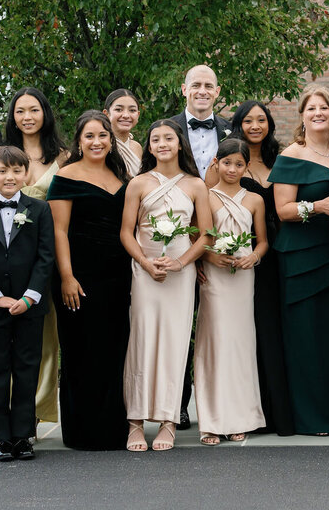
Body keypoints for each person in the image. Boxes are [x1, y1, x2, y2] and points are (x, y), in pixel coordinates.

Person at [0, 86, 67, 434]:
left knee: (37, 348)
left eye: (34, 110)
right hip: (0, 270)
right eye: (20, 111)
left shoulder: (64, 155)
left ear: (45, 113)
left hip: (40, 267)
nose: (27, 117)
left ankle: (30, 420)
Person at [119, 119, 211, 452]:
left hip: (180, 274)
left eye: (168, 138)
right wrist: (146, 264)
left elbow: (206, 234)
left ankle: (169, 421)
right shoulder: (138, 183)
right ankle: (135, 421)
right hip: (145, 274)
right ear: (150, 146)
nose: (161, 143)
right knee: (141, 341)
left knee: (174, 342)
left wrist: (182, 262)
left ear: (180, 144)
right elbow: (126, 233)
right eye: (155, 139)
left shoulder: (196, 185)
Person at [270, 84, 329, 436]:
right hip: (302, 259)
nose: (318, 113)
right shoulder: (292, 155)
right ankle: (309, 418)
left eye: (325, 108)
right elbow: (283, 210)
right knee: (306, 339)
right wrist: (318, 207)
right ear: (302, 116)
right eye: (311, 109)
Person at [0, 146, 55, 462]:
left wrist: (30, 296)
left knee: (27, 368)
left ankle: (24, 435)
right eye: (2, 171)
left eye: (17, 170)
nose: (10, 177)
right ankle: (0, 437)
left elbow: (46, 256)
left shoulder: (40, 210)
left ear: (26, 174)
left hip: (30, 305)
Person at [47, 111, 131, 450]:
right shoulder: (66, 176)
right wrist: (66, 276)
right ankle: (83, 431)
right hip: (79, 276)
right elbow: (58, 230)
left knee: (114, 351)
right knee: (82, 351)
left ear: (111, 140)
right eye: (89, 136)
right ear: (79, 141)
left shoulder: (121, 174)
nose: (97, 142)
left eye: (103, 136)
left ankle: (114, 428)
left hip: (118, 277)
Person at [195, 137, 271, 444]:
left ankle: (240, 416)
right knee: (215, 344)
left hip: (242, 277)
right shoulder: (205, 196)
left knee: (239, 344)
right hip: (214, 278)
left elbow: (263, 240)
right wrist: (210, 257)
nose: (232, 168)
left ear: (246, 166)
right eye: (227, 163)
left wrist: (255, 255)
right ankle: (212, 420)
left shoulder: (254, 200)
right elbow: (198, 239)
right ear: (216, 162)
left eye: (239, 164)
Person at [228, 99, 294, 436]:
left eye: (261, 120)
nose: (256, 126)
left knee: (276, 331)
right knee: (247, 331)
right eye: (248, 120)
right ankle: (248, 410)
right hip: (243, 258)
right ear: (238, 124)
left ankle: (279, 410)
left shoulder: (280, 159)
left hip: (280, 253)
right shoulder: (228, 163)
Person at [171, 64, 231, 426]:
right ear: (184, 89)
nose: (202, 91)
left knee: (218, 325)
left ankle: (220, 403)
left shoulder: (231, 129)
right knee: (179, 323)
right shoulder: (167, 129)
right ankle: (176, 402)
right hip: (177, 236)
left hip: (223, 236)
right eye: (196, 85)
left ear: (218, 91)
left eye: (209, 85)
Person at [106, 89, 144, 178]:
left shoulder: (136, 147)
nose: (126, 115)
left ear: (138, 115)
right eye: (119, 110)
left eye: (132, 110)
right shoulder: (102, 145)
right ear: (106, 114)